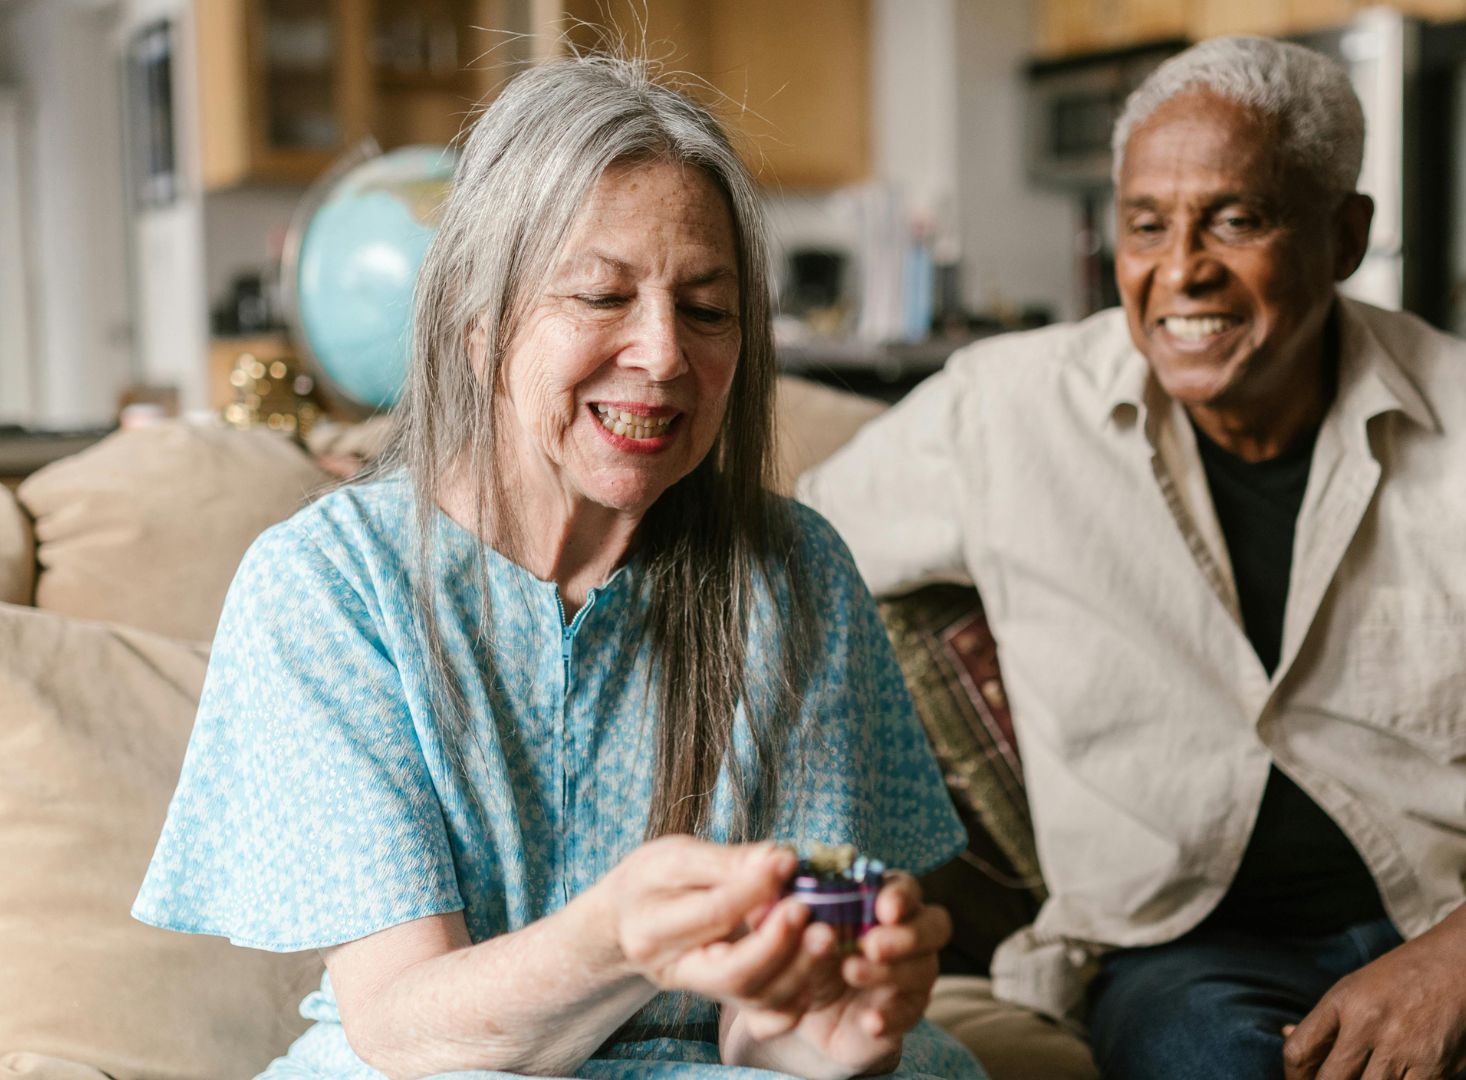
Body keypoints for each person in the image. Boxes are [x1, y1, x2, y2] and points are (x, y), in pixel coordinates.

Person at [798, 35, 1466, 1080]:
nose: (1182, 272)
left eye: (1238, 220)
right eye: (1147, 225)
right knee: (1193, 1055)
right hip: (1186, 960)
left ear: (1346, 235)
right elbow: (769, 560)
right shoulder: (1000, 412)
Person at [134, 56, 986, 1080]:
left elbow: (770, 1027)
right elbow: (407, 1028)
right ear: (479, 322)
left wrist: (830, 1036)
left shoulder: (794, 574)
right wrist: (618, 938)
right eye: (600, 295)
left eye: (708, 310)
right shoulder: (328, 585)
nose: (665, 355)